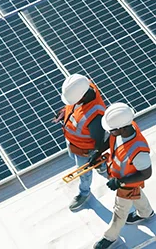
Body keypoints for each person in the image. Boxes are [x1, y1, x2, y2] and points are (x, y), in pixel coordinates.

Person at [93, 103, 154, 249]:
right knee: (137, 194)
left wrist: (120, 182)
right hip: (122, 178)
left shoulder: (138, 152)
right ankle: (146, 213)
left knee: (120, 212)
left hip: (126, 183)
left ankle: (110, 237)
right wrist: (98, 152)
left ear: (121, 128)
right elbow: (111, 141)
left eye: (112, 130)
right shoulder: (124, 127)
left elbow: (146, 173)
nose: (110, 133)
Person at [53, 74, 106, 211]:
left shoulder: (95, 116)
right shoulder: (81, 86)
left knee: (84, 173)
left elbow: (100, 141)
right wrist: (65, 112)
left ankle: (84, 193)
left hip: (84, 151)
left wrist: (95, 155)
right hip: (72, 143)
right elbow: (74, 108)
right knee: (73, 157)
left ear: (81, 96)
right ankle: (102, 165)